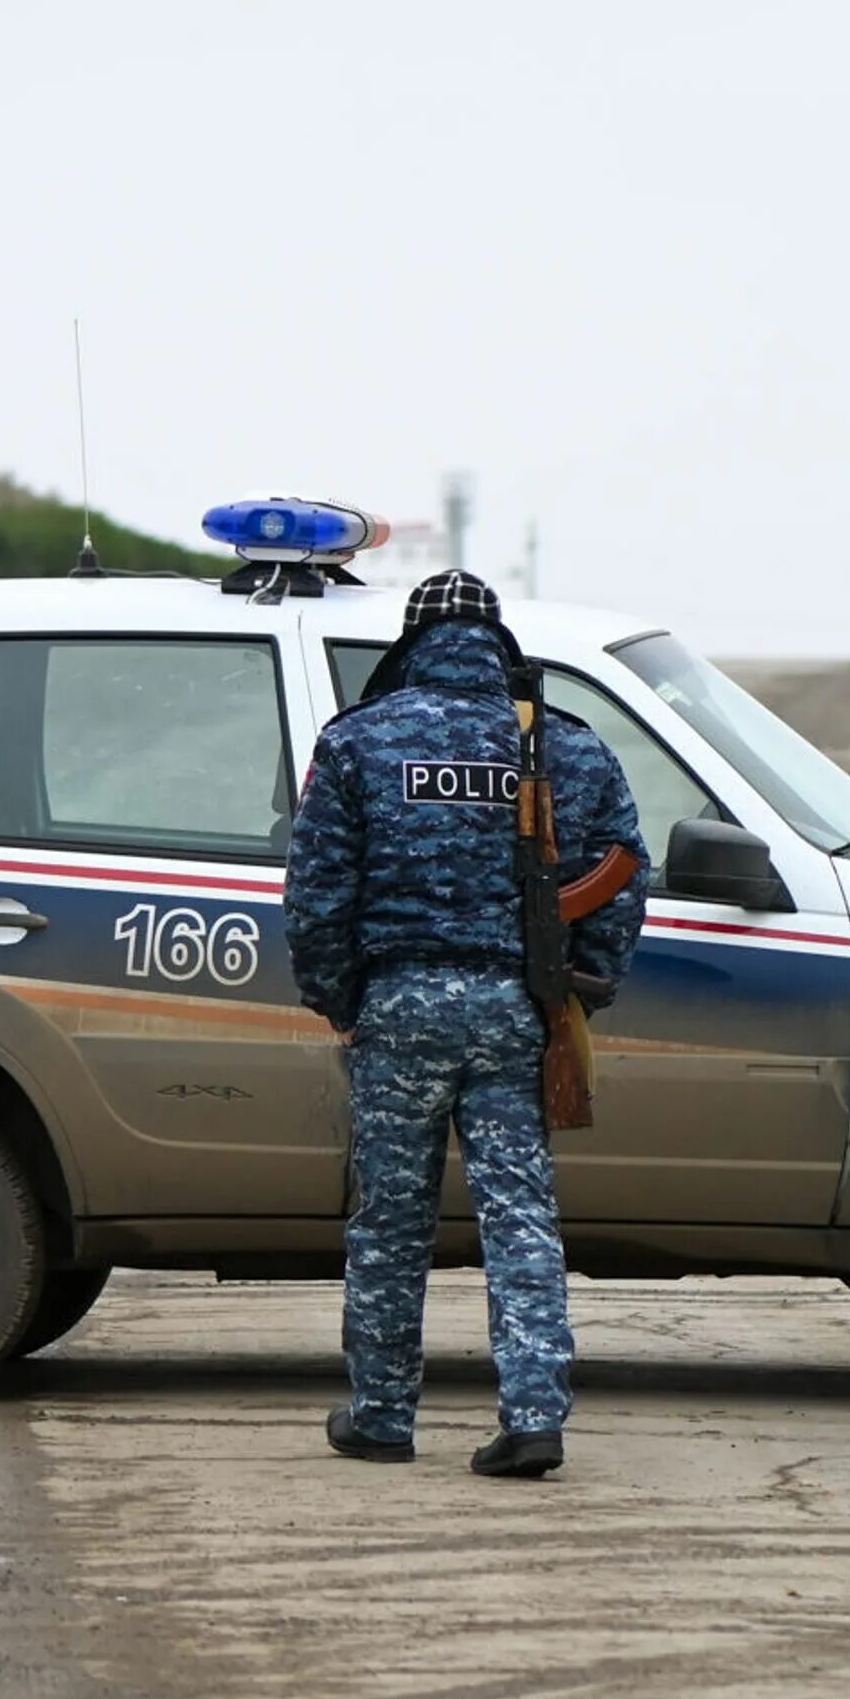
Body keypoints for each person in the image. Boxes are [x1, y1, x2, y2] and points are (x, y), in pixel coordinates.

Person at [284, 570, 648, 1478]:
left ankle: (379, 1414)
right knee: (519, 1215)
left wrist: (338, 997)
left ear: (409, 646)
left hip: (398, 1007)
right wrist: (584, 983)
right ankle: (533, 1415)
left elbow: (317, 896)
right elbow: (623, 869)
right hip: (515, 1011)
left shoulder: (358, 743)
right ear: (500, 647)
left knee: (390, 1222)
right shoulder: (563, 744)